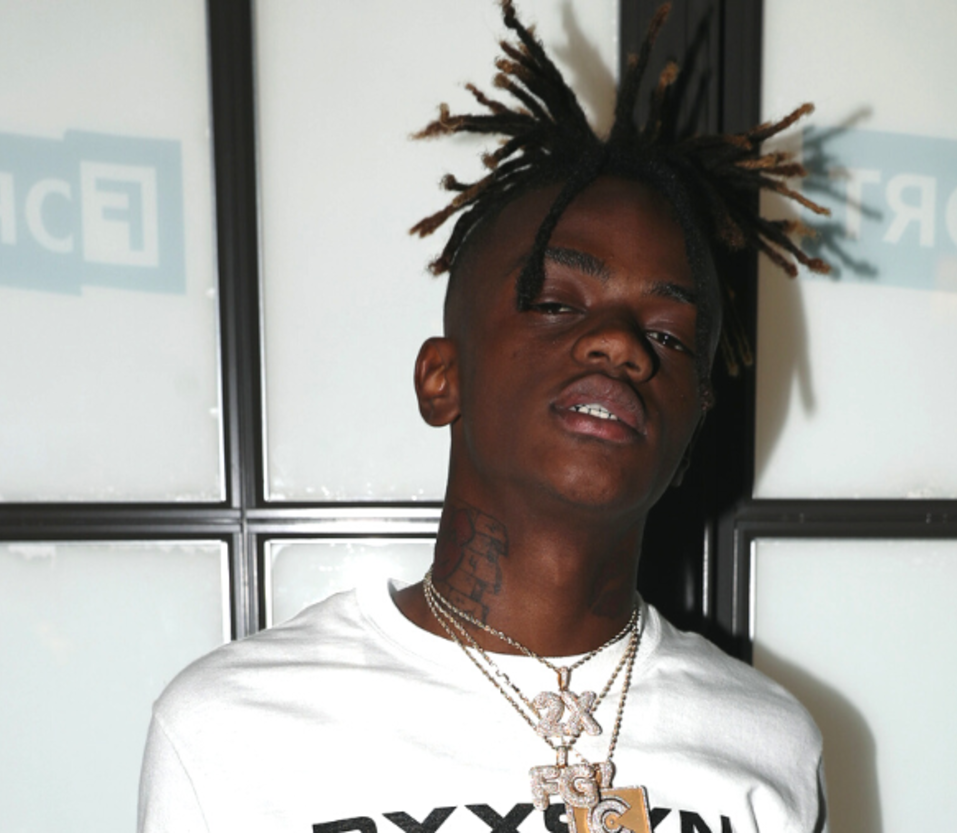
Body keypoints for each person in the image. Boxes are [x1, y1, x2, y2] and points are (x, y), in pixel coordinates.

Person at [139, 4, 829, 832]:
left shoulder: (769, 740)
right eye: (555, 301)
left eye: (668, 337)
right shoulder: (231, 727)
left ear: (691, 436)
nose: (620, 343)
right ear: (443, 379)